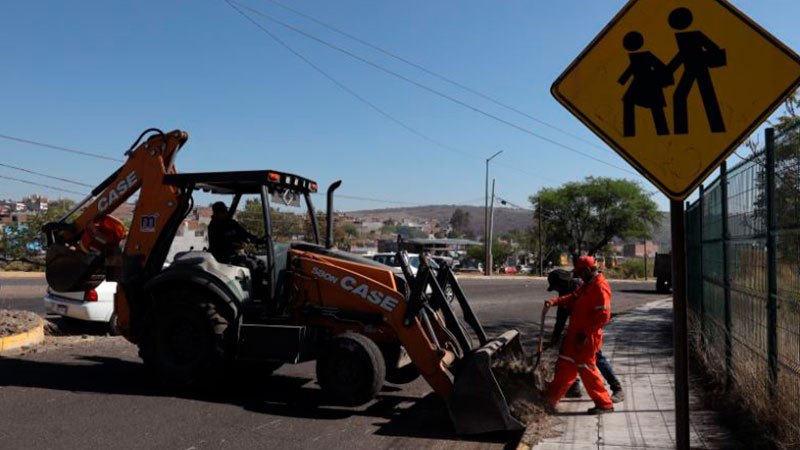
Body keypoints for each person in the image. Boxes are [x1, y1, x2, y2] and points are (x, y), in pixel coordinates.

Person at [543, 256, 614, 414]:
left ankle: (604, 404)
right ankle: (549, 400)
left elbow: (604, 316)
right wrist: (554, 301)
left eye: (581, 273)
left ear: (588, 270)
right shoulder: (587, 285)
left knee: (587, 369)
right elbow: (572, 298)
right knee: (564, 365)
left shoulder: (600, 287)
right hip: (574, 334)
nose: (579, 276)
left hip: (587, 337)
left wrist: (586, 333)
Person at [666, 7, 726, 134]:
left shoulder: (695, 35)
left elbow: (713, 48)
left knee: (702, 96)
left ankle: (715, 127)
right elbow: (681, 55)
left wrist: (670, 69)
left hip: (699, 68)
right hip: (691, 68)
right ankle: (683, 130)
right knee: (688, 96)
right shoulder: (682, 36)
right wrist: (669, 69)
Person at [618, 31, 673, 137]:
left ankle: (662, 131)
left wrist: (662, 80)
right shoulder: (634, 56)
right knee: (628, 102)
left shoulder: (647, 55)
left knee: (656, 108)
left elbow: (660, 67)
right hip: (638, 83)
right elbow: (631, 68)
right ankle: (629, 132)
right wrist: (622, 80)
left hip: (649, 84)